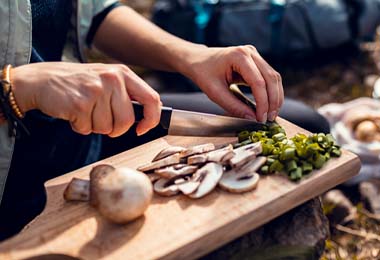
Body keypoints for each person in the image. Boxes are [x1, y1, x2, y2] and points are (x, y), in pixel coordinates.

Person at [0, 0, 328, 240]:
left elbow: (93, 12)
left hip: (86, 137)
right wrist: (15, 88)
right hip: (11, 195)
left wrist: (193, 55)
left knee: (304, 124)